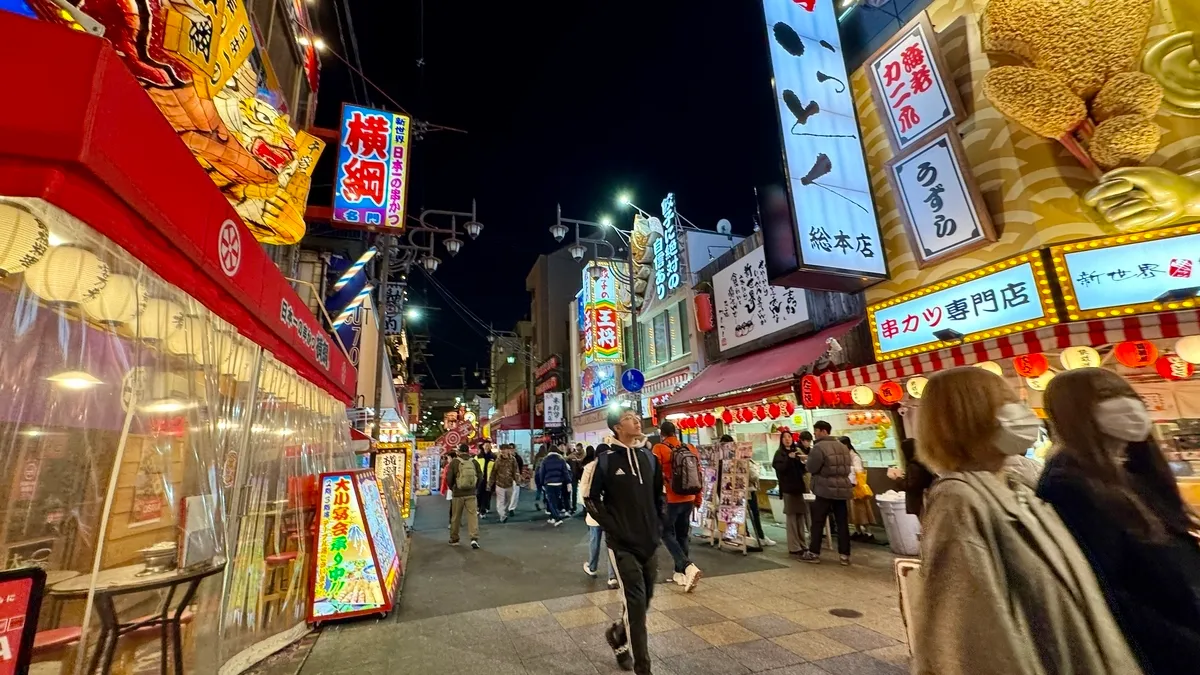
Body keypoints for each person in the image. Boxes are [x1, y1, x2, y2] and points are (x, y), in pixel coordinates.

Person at [911, 366, 1142, 675]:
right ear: (970, 418)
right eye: (1005, 404)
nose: (1022, 414)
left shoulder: (1021, 490)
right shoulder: (959, 501)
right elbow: (965, 638)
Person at [1038, 368, 1200, 674]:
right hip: (1165, 653)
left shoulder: (1137, 473)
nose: (1128, 405)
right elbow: (1106, 592)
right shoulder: (1069, 486)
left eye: (1129, 395)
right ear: (1074, 413)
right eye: (1108, 397)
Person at [584, 406, 664, 674]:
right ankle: (644, 668)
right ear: (618, 427)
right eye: (630, 418)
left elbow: (658, 495)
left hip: (649, 542)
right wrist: (613, 528)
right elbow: (591, 499)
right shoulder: (605, 461)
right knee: (636, 605)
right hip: (622, 546)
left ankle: (618, 633)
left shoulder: (650, 458)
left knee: (646, 600)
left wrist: (658, 525)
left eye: (636, 417)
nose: (637, 420)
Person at [652, 420, 703, 592]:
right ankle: (679, 572)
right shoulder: (690, 448)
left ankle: (686, 566)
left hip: (671, 499)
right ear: (675, 432)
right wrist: (698, 498)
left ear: (662, 434)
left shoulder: (659, 448)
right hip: (689, 497)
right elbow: (699, 474)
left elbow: (654, 475)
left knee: (665, 532)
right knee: (682, 534)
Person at [802, 421, 853, 565]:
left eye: (816, 431)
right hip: (842, 488)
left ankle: (814, 552)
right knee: (842, 522)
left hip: (824, 489)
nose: (815, 434)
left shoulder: (818, 448)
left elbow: (811, 467)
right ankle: (845, 555)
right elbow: (847, 466)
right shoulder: (843, 447)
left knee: (818, 521)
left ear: (823, 431)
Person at [580, 444, 619, 588]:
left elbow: (584, 491)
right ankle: (612, 576)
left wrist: (590, 508)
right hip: (611, 512)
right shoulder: (614, 467)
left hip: (596, 512)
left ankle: (592, 567)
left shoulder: (590, 467)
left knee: (594, 540)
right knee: (612, 544)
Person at [772, 429, 811, 556]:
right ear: (781, 440)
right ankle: (793, 546)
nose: (787, 439)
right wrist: (789, 459)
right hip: (788, 489)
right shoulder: (779, 454)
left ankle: (803, 543)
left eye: (789, 437)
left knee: (800, 516)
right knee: (792, 518)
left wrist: (803, 460)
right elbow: (780, 469)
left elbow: (804, 470)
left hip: (799, 489)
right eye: (785, 437)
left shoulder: (797, 452)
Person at [840, 436, 877, 541]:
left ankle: (868, 532)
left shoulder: (855, 457)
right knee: (853, 511)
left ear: (846, 445)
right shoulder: (846, 456)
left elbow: (858, 470)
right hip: (849, 486)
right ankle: (858, 531)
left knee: (862, 510)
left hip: (858, 487)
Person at [445, 444, 481, 549]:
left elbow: (449, 479)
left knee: (456, 517)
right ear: (468, 451)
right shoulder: (474, 462)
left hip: (458, 494)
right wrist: (475, 488)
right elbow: (480, 476)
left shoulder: (454, 462)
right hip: (471, 494)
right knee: (472, 516)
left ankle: (454, 538)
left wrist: (453, 488)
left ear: (459, 452)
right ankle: (474, 538)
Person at [536, 444, 571, 525]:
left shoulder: (545, 460)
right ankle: (553, 517)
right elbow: (565, 472)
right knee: (556, 500)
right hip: (559, 483)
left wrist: (542, 483)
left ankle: (557, 518)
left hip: (549, 483)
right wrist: (568, 482)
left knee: (551, 501)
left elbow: (542, 473)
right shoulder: (561, 460)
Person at [489, 444, 521, 523]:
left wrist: (517, 481)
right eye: (502, 449)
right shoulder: (498, 460)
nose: (503, 451)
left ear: (508, 450)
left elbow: (516, 471)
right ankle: (502, 515)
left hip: (509, 484)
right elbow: (493, 473)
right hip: (499, 484)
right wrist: (489, 484)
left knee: (507, 500)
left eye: (505, 449)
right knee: (500, 501)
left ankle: (503, 511)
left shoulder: (513, 460)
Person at [474, 443, 496, 518]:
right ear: (482, 447)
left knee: (486, 495)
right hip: (480, 479)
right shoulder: (478, 457)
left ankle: (483, 511)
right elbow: (474, 467)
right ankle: (479, 507)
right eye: (485, 445)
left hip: (489, 479)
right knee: (479, 494)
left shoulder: (493, 457)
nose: (487, 447)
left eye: (488, 445)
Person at [568, 443, 588, 515]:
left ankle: (585, 507)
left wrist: (577, 459)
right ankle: (574, 507)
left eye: (579, 449)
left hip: (582, 475)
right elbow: (567, 458)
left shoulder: (585, 455)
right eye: (577, 449)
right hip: (575, 475)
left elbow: (582, 462)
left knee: (583, 492)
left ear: (582, 448)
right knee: (574, 492)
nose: (578, 451)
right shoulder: (573, 455)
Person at [533, 444, 549, 511]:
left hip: (537, 475)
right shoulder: (546, 457)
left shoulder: (537, 456)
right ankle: (545, 504)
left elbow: (534, 467)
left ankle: (537, 502)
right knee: (545, 490)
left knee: (538, 489)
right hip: (544, 475)